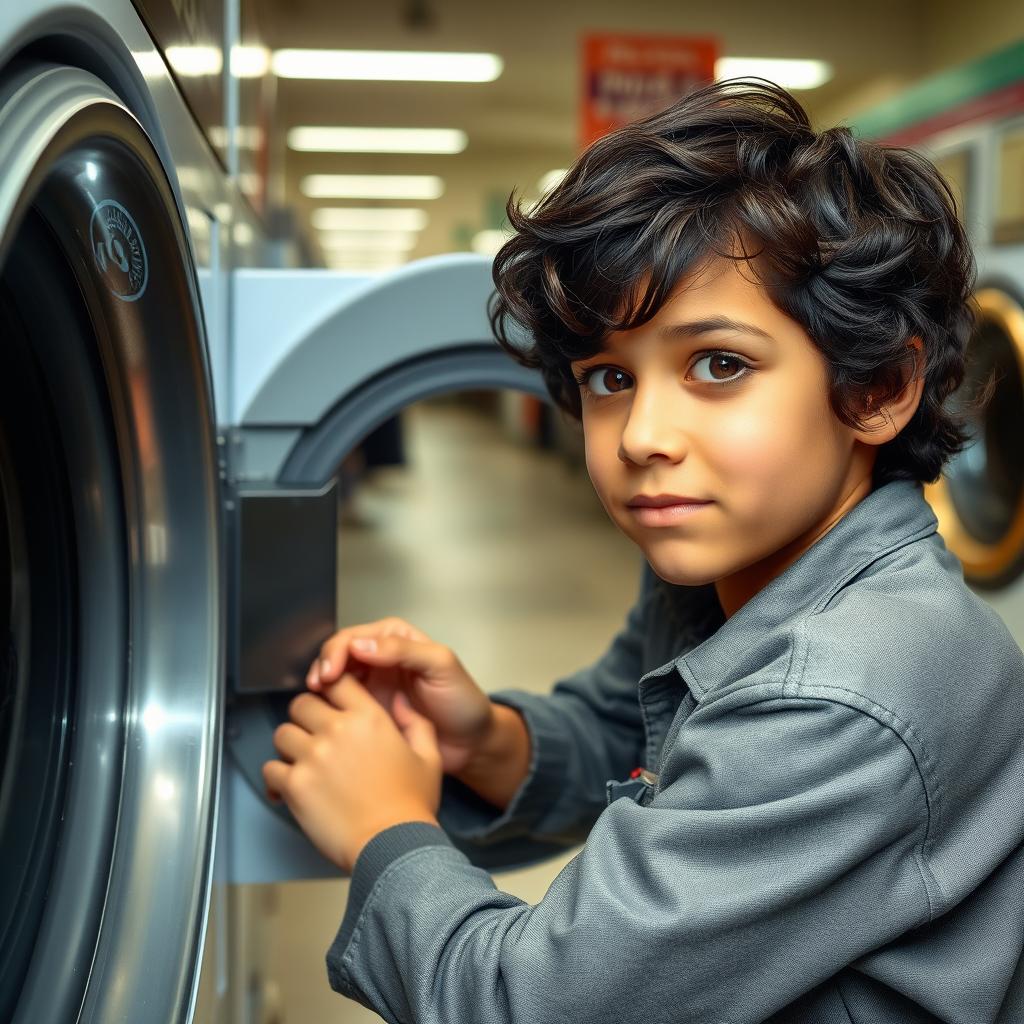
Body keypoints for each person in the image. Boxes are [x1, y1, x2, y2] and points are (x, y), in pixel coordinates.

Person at [262, 79, 1024, 1022]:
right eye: (611, 377)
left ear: (878, 386)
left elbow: (530, 1004)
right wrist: (491, 742)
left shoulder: (843, 693)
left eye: (719, 364)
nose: (640, 437)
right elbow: (640, 739)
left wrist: (386, 826)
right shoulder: (734, 565)